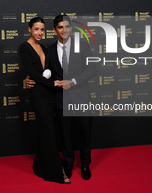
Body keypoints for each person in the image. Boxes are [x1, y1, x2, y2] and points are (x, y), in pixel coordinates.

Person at [26, 15, 97, 180]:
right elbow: (43, 73)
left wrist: (72, 82)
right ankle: (69, 163)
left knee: (85, 132)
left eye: (67, 27)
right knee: (65, 135)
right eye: (60, 27)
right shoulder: (48, 51)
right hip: (61, 100)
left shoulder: (83, 46)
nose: (64, 30)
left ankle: (85, 164)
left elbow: (92, 69)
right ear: (54, 30)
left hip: (82, 98)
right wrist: (28, 78)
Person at [19, 17, 71, 184]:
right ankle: (56, 172)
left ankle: (40, 165)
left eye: (42, 30)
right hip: (38, 95)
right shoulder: (24, 47)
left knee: (46, 131)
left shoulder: (43, 47)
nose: (39, 33)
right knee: (49, 132)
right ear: (29, 29)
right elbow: (32, 73)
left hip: (49, 94)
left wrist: (52, 83)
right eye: (36, 29)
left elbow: (48, 70)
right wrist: (51, 83)